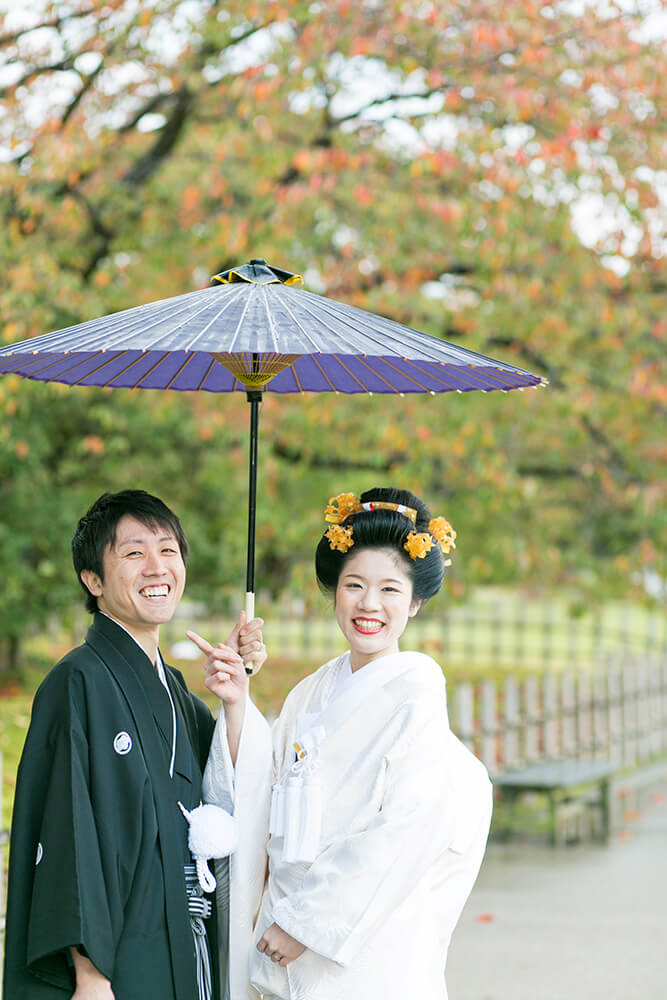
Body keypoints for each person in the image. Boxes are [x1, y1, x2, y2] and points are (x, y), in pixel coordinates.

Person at [199, 487, 492, 1000]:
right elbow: (261, 790)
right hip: (285, 929)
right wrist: (238, 700)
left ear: (416, 602)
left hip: (363, 945)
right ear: (334, 590)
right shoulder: (310, 691)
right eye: (354, 585)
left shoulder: (417, 688)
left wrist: (305, 924)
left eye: (390, 590)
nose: (369, 605)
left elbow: (403, 827)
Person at [3, 489, 266, 1000]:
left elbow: (229, 793)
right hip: (119, 957)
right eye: (133, 553)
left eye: (168, 550)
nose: (156, 567)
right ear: (93, 580)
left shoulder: (175, 690)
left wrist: (236, 698)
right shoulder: (76, 682)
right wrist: (90, 975)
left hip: (186, 944)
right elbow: (66, 830)